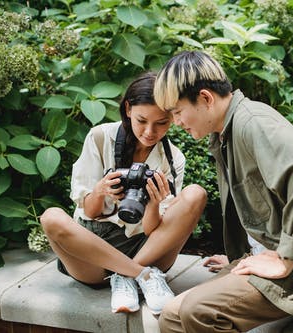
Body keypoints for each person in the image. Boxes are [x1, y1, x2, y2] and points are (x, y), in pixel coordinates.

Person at [153, 51, 293, 332]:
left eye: (177, 112)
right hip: (264, 256)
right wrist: (243, 253)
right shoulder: (226, 132)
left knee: (196, 312)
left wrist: (286, 259)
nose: (176, 122)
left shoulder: (252, 121)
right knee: (171, 316)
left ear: (206, 98)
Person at [40, 72, 207, 315]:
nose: (150, 132)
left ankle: (130, 274)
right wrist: (100, 190)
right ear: (128, 109)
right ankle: (139, 274)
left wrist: (153, 203)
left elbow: (153, 231)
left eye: (161, 123)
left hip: (146, 248)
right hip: (94, 255)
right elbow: (89, 211)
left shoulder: (172, 158)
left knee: (196, 194)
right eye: (142, 120)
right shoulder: (100, 137)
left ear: (172, 117)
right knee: (51, 217)